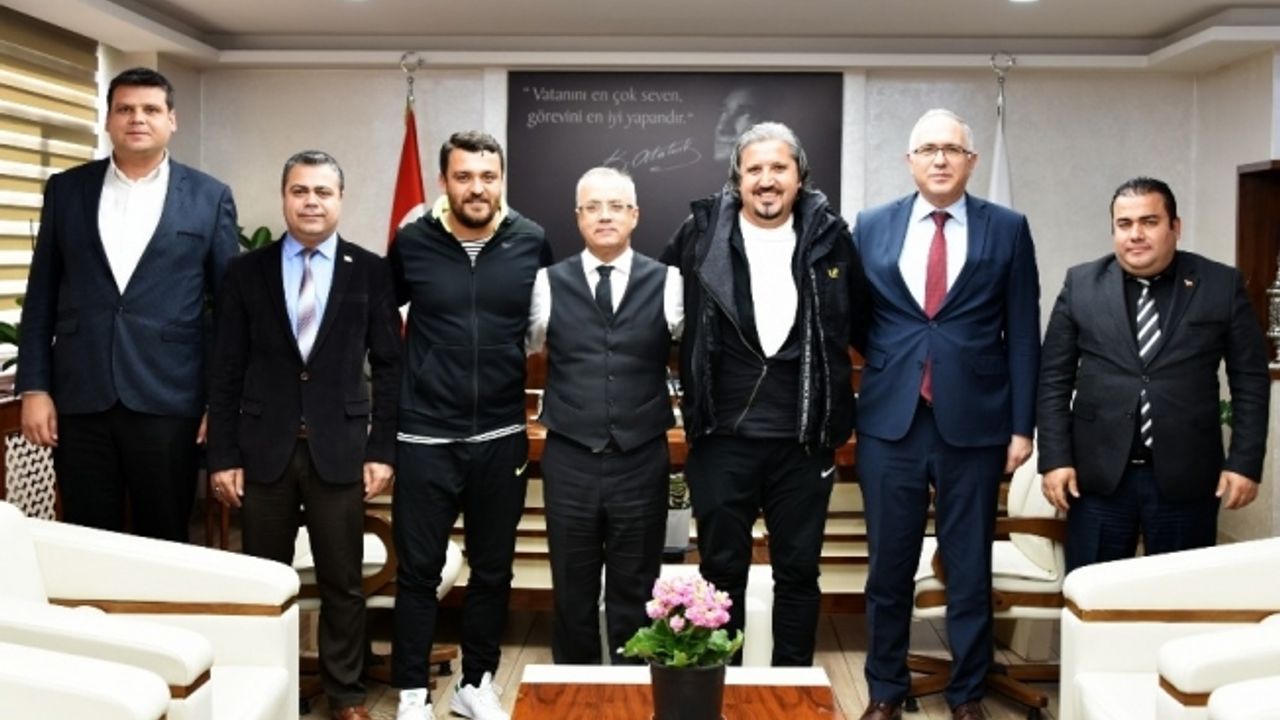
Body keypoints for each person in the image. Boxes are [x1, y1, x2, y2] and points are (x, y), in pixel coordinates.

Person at [851, 108, 1041, 720]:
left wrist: (1021, 426)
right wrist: (893, 361)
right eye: (928, 149)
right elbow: (857, 317)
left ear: (971, 161)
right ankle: (885, 689)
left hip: (977, 423)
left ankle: (966, 693)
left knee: (968, 567)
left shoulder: (1007, 228)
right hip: (891, 422)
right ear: (909, 161)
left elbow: (1023, 334)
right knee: (888, 568)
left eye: (952, 149)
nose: (940, 159)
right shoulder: (871, 226)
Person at [662, 121, 871, 667]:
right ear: (737, 179)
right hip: (720, 438)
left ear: (800, 177)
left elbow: (865, 328)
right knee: (720, 572)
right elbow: (660, 316)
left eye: (779, 167)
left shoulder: (832, 238)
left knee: (798, 573)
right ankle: (720, 689)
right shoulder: (699, 234)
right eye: (754, 169)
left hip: (804, 440)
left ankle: (791, 688)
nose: (767, 179)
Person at [206, 151, 399, 720]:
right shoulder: (245, 272)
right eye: (299, 191)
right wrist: (222, 456)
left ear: (340, 199)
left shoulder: (370, 271)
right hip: (262, 450)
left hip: (340, 450)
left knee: (343, 580)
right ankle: (268, 691)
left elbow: (391, 367)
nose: (311, 201)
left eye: (322, 191)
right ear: (284, 197)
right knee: (264, 582)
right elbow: (225, 369)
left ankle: (346, 696)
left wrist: (381, 449)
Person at [17, 66, 239, 541]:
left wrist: (219, 403)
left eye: (150, 109)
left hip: (169, 399)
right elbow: (40, 297)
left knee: (164, 538)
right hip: (81, 397)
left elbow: (230, 311)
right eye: (125, 109)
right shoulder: (67, 190)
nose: (137, 118)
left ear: (171, 120)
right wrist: (34, 387)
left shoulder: (209, 196)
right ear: (108, 120)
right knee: (86, 538)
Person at [389, 131, 553, 720]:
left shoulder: (531, 240)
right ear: (444, 182)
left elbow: (538, 329)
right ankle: (412, 693)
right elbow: (383, 324)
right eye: (463, 177)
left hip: (500, 435)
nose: (476, 188)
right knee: (419, 571)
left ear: (501, 179)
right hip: (424, 434)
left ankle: (475, 684)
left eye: (487, 176)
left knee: (493, 569)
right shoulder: (412, 242)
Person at [1038, 176, 1270, 572]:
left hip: (1187, 478)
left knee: (1177, 595)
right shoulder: (1081, 285)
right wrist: (1055, 459)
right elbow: (1052, 380)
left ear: (1175, 227)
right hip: (1097, 479)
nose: (1136, 234)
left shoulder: (1220, 284)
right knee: (1095, 594)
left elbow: (1250, 380)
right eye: (1124, 224)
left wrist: (1244, 462)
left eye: (1149, 221)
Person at [527, 166, 683, 664]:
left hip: (642, 457)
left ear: (635, 215)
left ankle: (633, 691)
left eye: (616, 206)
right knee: (571, 587)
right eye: (593, 207)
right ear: (578, 218)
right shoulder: (547, 283)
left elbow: (692, 352)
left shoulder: (669, 282)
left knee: (636, 587)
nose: (605, 216)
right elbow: (526, 347)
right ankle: (574, 689)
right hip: (569, 456)